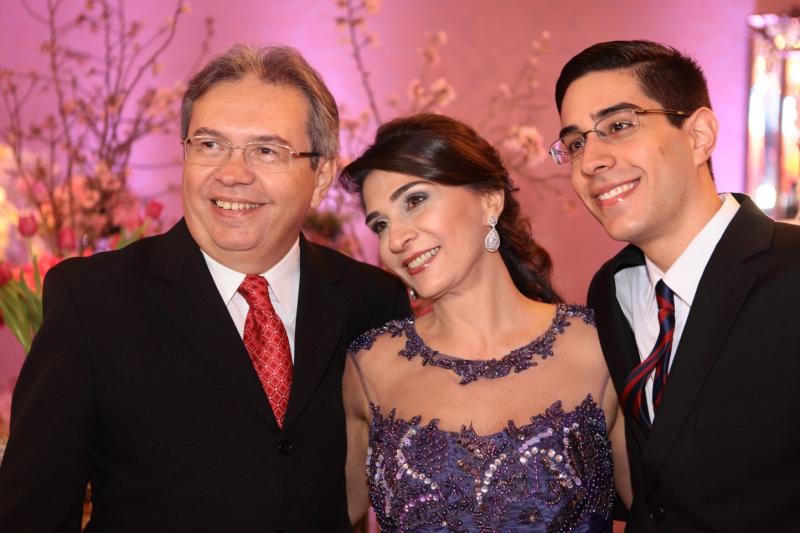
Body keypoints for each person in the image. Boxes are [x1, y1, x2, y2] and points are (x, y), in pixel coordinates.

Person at [0, 44, 410, 532]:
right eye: (210, 145)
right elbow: (31, 513)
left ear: (321, 175)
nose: (232, 174)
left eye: (266, 151)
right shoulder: (93, 300)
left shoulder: (372, 301)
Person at [551, 40, 800, 532]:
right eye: (576, 143)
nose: (589, 160)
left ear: (699, 135)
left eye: (618, 126)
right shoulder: (611, 290)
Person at [339, 113, 631, 532]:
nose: (395, 239)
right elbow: (330, 516)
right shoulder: (371, 367)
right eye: (380, 225)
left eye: (415, 200)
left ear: (490, 200)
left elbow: (666, 514)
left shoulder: (600, 347)